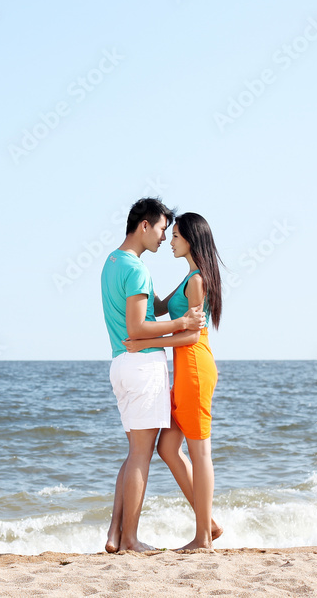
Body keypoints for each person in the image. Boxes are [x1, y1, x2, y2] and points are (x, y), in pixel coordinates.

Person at [100, 198, 206, 553]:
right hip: (141, 364)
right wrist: (183, 323)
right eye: (162, 229)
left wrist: (172, 307)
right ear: (144, 225)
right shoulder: (138, 269)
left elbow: (147, 310)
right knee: (141, 456)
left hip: (120, 363)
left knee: (135, 454)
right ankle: (130, 539)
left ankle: (115, 535)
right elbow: (138, 326)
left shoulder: (112, 262)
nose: (164, 237)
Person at [123, 212, 224, 550]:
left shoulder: (197, 281)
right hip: (185, 369)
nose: (170, 241)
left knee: (200, 453)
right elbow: (162, 307)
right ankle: (207, 521)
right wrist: (133, 274)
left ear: (192, 240)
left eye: (177, 236)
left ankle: (202, 538)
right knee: (167, 447)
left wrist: (146, 342)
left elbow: (191, 337)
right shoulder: (189, 279)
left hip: (194, 366)